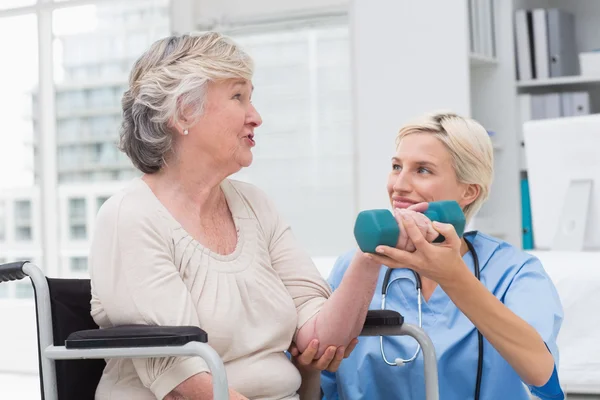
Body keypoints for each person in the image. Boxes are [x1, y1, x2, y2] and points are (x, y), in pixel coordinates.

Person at [88, 32, 377, 400]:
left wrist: (371, 257)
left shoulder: (256, 206)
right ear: (183, 112)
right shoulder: (129, 217)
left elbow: (319, 339)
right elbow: (184, 384)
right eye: (238, 97)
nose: (256, 117)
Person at [320, 111, 565, 400]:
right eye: (397, 167)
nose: (399, 185)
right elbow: (318, 381)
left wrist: (453, 277)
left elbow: (542, 375)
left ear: (469, 192)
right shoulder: (356, 265)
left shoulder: (513, 272)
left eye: (423, 170)